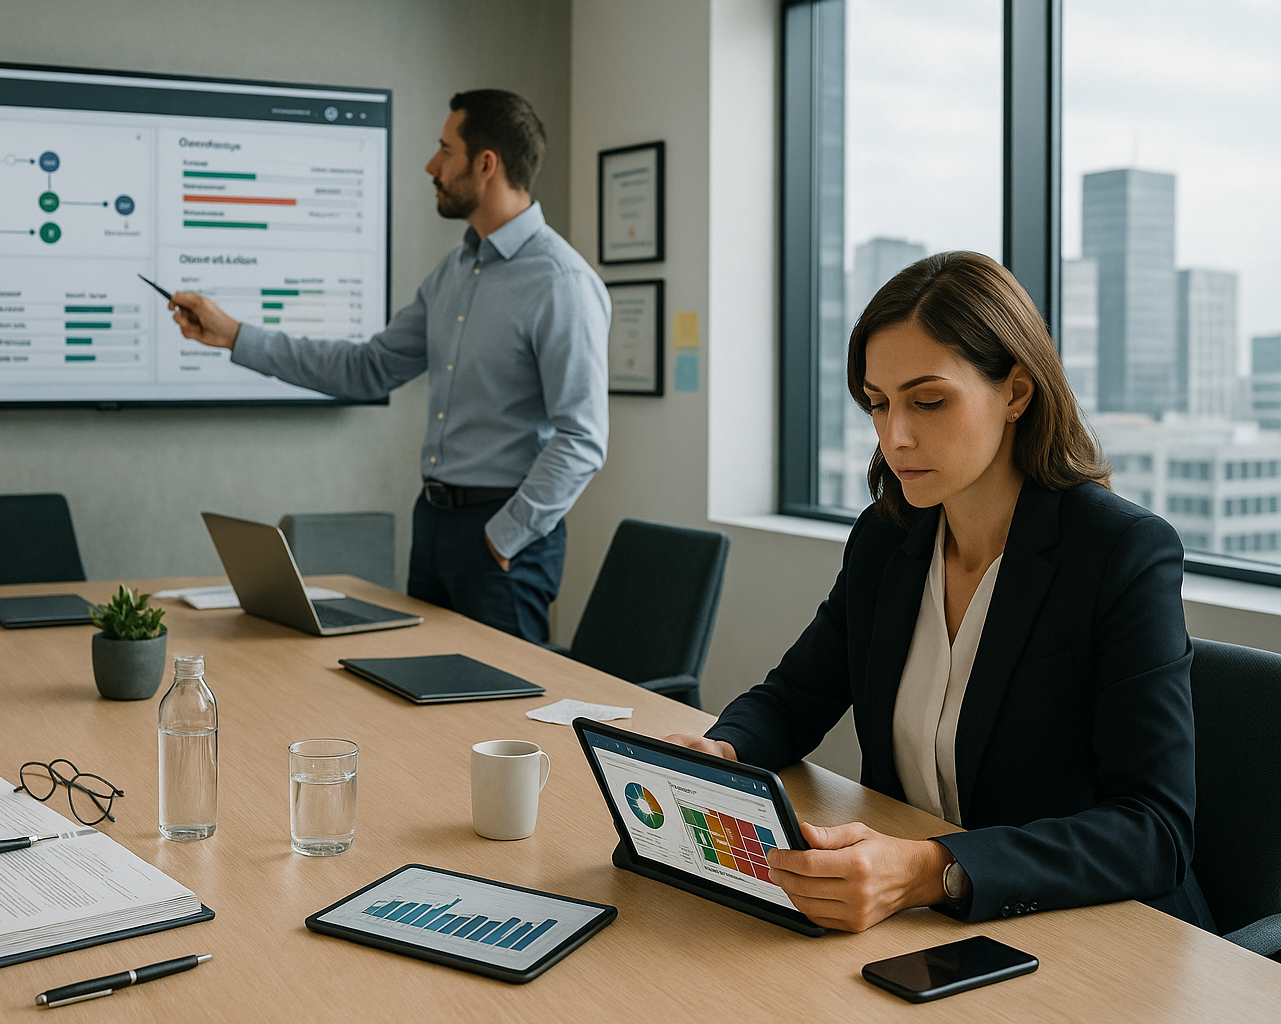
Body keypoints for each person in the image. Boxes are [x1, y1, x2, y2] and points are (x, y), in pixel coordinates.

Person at [667, 251, 1214, 934]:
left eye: (928, 401)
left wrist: (934, 869)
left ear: (1016, 392)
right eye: (877, 404)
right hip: (929, 928)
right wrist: (722, 751)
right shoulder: (887, 537)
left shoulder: (1120, 553)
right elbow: (794, 697)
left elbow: (1153, 829)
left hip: (1099, 935)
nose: (895, 436)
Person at [167, 90, 609, 644]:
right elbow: (367, 368)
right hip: (435, 521)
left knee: (501, 713)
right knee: (421, 698)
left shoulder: (560, 282)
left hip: (503, 538)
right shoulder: (456, 270)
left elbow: (582, 438)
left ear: (486, 163)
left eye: (445, 150)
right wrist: (233, 335)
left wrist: (503, 537)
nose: (432, 165)